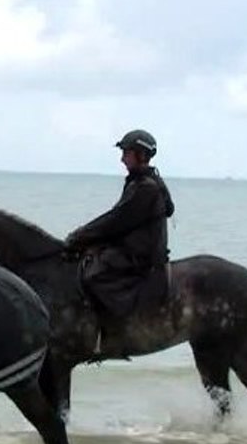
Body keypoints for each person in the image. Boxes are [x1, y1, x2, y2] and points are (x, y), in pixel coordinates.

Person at [64, 129, 175, 351]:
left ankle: (118, 326)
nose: (122, 158)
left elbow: (116, 220)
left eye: (126, 153)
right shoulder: (145, 181)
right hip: (135, 248)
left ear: (141, 155)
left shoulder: (146, 187)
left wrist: (79, 236)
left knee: (93, 275)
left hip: (140, 255)